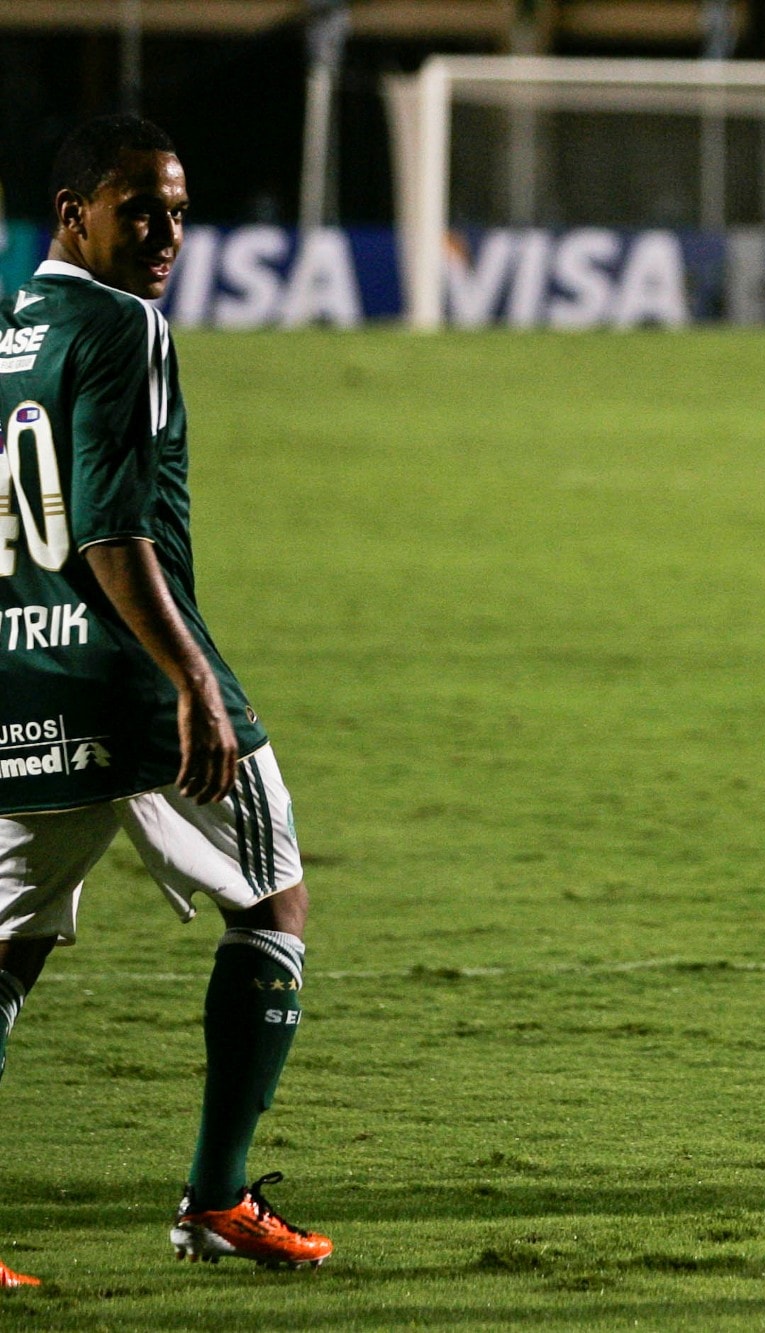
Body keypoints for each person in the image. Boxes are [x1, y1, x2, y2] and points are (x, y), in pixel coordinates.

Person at [0, 114, 333, 1286]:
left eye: (179, 211)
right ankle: (216, 1197)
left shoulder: (9, 327)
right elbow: (109, 527)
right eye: (139, 207)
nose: (165, 233)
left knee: (9, 953)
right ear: (74, 212)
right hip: (134, 683)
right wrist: (191, 673)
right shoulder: (124, 324)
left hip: (20, 671)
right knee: (276, 897)